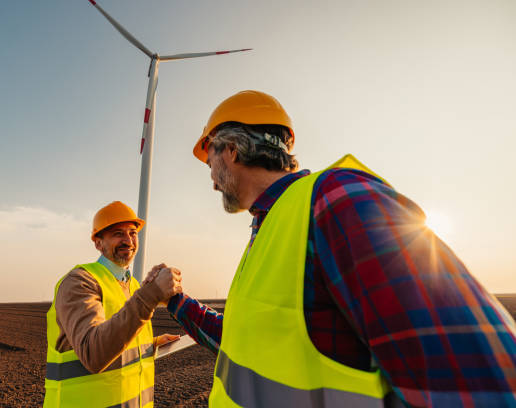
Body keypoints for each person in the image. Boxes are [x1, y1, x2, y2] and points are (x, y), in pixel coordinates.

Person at [153, 90, 516, 407]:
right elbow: (241, 342)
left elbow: (479, 378)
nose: (211, 176)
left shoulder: (336, 201)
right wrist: (176, 302)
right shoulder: (269, 229)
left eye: (210, 158)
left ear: (231, 150)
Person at [43, 201, 182, 408]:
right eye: (118, 233)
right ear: (98, 243)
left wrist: (150, 346)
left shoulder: (133, 285)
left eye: (133, 233)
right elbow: (93, 353)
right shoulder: (79, 282)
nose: (128, 240)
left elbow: (118, 336)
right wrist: (152, 293)